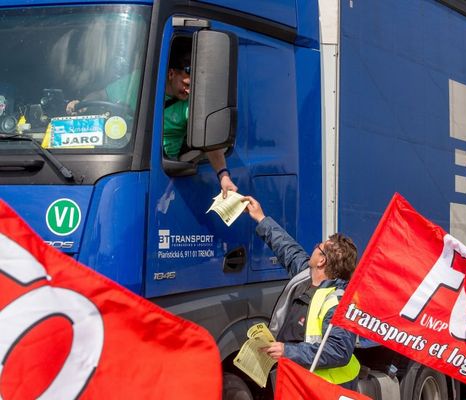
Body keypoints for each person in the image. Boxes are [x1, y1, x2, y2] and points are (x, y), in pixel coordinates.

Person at [66, 37, 237, 197]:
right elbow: (101, 94)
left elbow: (210, 141)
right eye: (186, 84)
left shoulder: (189, 105)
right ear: (171, 74)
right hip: (122, 159)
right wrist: (81, 104)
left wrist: (223, 175)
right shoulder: (137, 82)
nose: (189, 91)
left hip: (162, 171)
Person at [243, 195, 361, 390]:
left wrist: (287, 351)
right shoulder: (306, 276)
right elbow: (288, 249)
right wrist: (261, 218)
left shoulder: (337, 302)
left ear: (322, 261)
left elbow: (339, 350)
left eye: (319, 247)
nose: (314, 247)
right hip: (299, 381)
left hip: (325, 389)